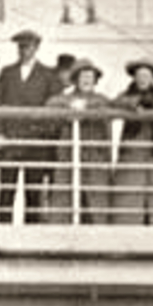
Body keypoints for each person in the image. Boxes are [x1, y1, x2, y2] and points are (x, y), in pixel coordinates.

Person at [0, 29, 62, 223]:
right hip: (10, 143)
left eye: (28, 46)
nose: (24, 50)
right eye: (21, 46)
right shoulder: (7, 73)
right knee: (6, 193)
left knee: (33, 194)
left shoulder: (48, 75)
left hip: (36, 144)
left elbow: (55, 109)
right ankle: (2, 234)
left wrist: (43, 134)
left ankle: (31, 237)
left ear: (36, 48)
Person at [45, 58, 112, 224]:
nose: (86, 80)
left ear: (95, 79)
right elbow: (51, 105)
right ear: (75, 79)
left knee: (97, 205)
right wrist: (71, 106)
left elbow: (106, 105)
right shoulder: (64, 99)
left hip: (95, 160)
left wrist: (85, 107)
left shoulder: (102, 100)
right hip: (68, 158)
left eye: (90, 76)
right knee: (62, 202)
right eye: (82, 76)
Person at [111, 58, 153, 225]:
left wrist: (152, 104)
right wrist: (134, 103)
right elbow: (115, 103)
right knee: (128, 196)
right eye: (139, 75)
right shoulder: (126, 96)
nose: (143, 79)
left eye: (146, 76)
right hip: (131, 154)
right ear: (134, 78)